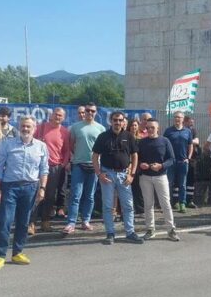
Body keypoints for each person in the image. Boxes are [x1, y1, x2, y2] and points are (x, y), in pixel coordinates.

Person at [0, 116, 49, 271]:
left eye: (29, 126)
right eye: (23, 126)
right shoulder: (7, 144)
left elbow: (44, 170)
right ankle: (0, 256)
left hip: (31, 187)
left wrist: (42, 188)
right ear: (19, 127)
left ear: (34, 128)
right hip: (10, 187)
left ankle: (17, 253)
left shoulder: (41, 146)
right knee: (5, 221)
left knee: (24, 222)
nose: (25, 129)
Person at [93, 111, 144, 244]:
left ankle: (130, 232)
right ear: (111, 121)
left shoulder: (129, 136)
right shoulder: (103, 136)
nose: (117, 122)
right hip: (107, 174)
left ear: (123, 122)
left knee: (128, 205)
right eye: (115, 120)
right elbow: (95, 156)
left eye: (120, 120)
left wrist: (132, 174)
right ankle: (110, 234)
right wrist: (99, 174)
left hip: (124, 175)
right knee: (108, 206)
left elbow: (135, 155)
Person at [64, 103, 106, 234]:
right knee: (75, 195)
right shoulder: (75, 127)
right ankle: (71, 223)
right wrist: (77, 157)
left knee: (90, 196)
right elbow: (71, 145)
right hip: (78, 165)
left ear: (96, 112)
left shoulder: (101, 128)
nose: (90, 113)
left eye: (92, 111)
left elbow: (103, 149)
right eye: (87, 110)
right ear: (85, 111)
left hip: (94, 166)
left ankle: (86, 221)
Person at [137, 118, 180, 241]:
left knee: (165, 204)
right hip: (145, 177)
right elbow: (136, 158)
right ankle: (150, 230)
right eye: (148, 127)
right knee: (148, 204)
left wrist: (161, 166)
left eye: (152, 127)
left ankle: (171, 230)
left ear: (158, 128)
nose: (150, 130)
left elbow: (172, 159)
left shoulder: (165, 141)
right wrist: (141, 164)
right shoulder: (142, 142)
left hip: (161, 176)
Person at [31, 107, 70, 234]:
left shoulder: (65, 132)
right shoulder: (40, 127)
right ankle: (31, 223)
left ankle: (45, 222)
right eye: (56, 114)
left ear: (63, 118)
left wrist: (63, 164)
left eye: (60, 115)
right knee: (36, 195)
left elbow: (67, 150)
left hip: (54, 168)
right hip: (38, 167)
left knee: (50, 196)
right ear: (51, 115)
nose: (57, 117)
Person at [164, 111, 194, 213]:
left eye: (179, 117)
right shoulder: (168, 131)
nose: (177, 119)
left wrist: (188, 158)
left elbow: (190, 145)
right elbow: (164, 145)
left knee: (182, 184)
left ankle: (182, 204)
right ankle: (167, 204)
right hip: (171, 161)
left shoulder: (188, 131)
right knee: (168, 183)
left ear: (183, 119)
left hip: (183, 162)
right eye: (176, 117)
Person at [183, 115, 200, 208]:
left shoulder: (193, 130)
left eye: (192, 123)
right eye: (190, 123)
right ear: (184, 122)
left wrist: (188, 141)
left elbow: (197, 141)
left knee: (191, 179)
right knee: (180, 180)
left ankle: (189, 200)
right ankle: (179, 201)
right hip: (182, 158)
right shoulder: (181, 131)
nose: (192, 125)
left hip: (192, 159)